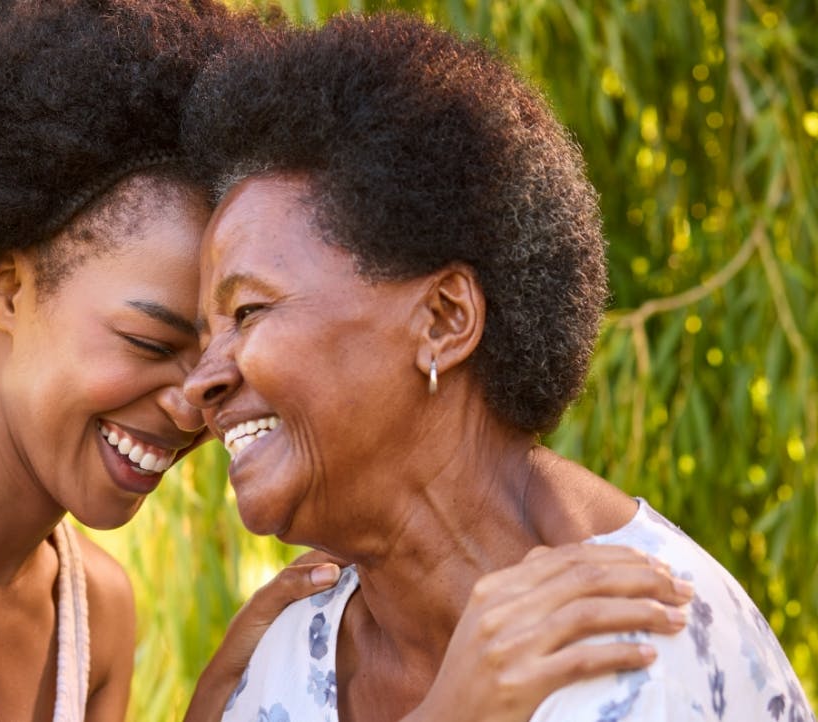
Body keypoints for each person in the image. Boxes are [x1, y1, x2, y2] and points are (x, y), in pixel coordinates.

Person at [0, 2, 691, 721]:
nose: (197, 394)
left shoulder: (94, 610)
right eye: (150, 338)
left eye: (231, 333)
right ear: (5, 285)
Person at [180, 12, 815, 722]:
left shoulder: (644, 644)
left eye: (248, 313)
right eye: (202, 334)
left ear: (445, 319)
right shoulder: (279, 666)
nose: (199, 382)